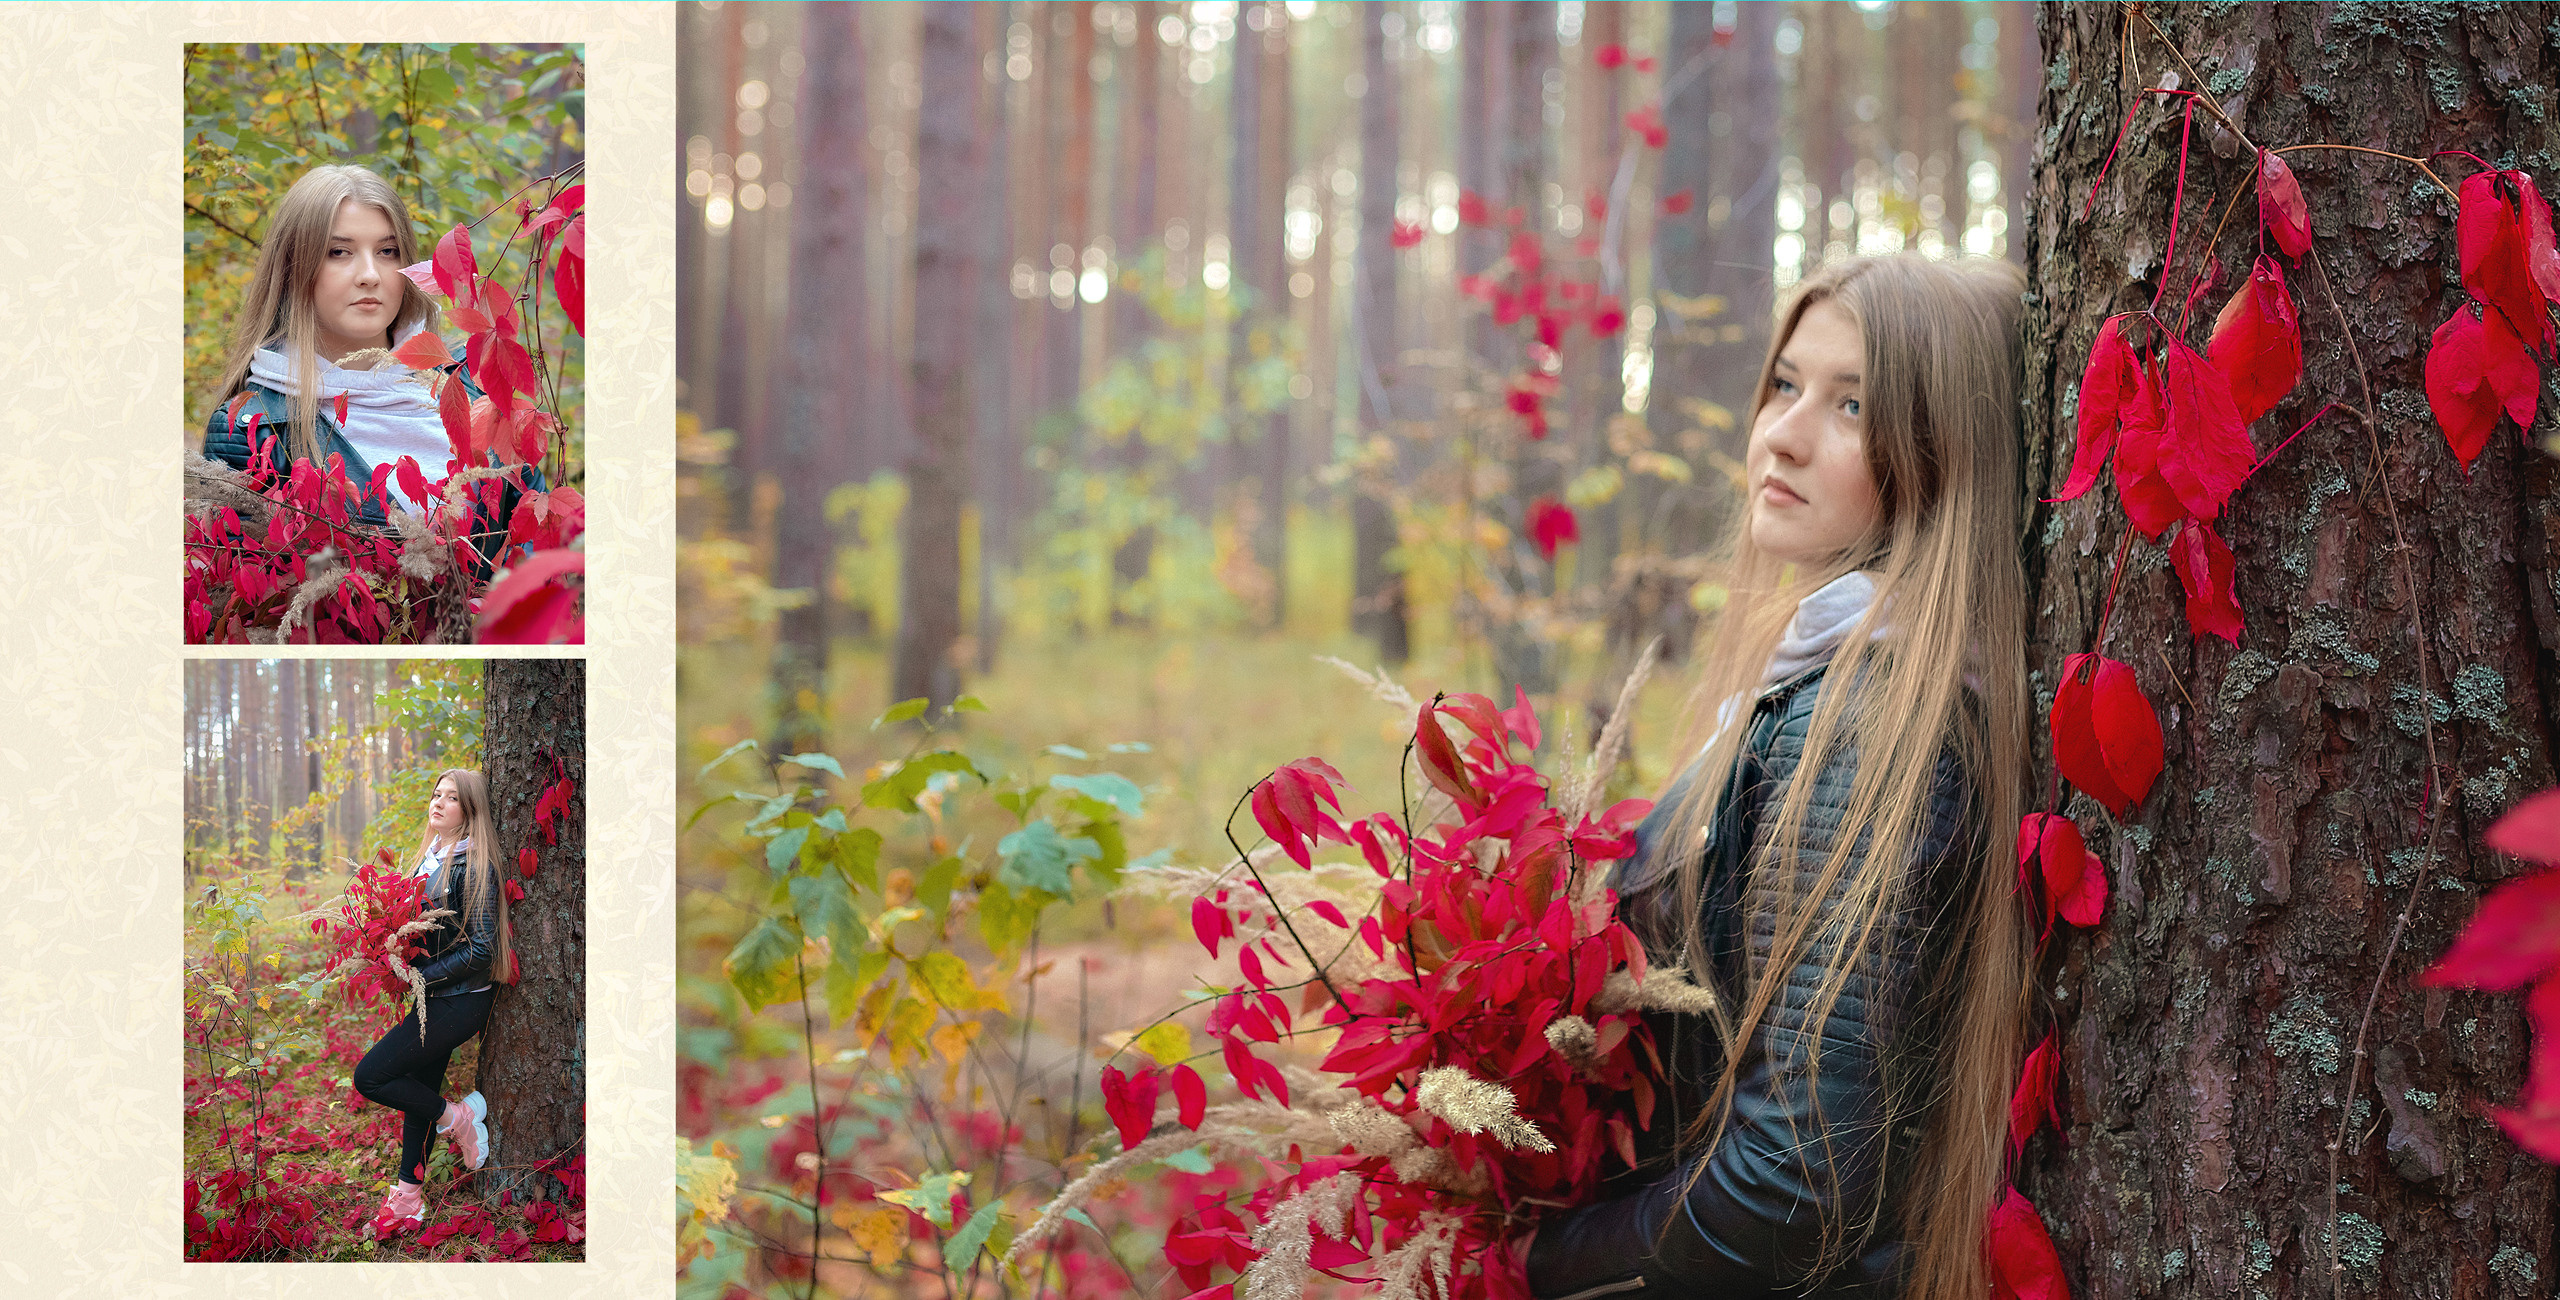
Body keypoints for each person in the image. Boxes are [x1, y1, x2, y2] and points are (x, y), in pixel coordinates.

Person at [1526, 255, 2037, 1300]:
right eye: (1785, 385)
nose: (1782, 435)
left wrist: (1536, 1264)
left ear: (1949, 454)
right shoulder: (1823, 681)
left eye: (1852, 406)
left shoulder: (1865, 727)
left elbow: (1792, 1184)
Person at [198, 163, 537, 565]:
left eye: (387, 251)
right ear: (292, 269)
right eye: (339, 252)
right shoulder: (250, 431)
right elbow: (247, 592)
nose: (370, 275)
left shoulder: (472, 383)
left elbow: (541, 547)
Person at [353, 768, 517, 1239]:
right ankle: (408, 1198)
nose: (439, 803)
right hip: (435, 996)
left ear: (470, 809)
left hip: (460, 999)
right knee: (419, 1092)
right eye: (436, 794)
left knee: (370, 1076)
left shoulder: (475, 863)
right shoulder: (430, 859)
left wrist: (419, 976)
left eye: (452, 797)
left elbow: (482, 949)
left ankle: (459, 1118)